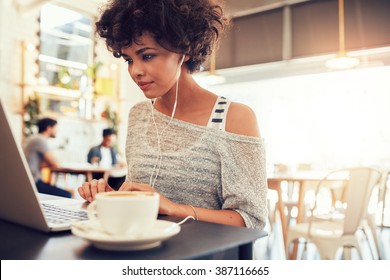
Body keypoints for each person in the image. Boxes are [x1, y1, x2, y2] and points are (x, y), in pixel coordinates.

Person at [78, 0, 268, 229]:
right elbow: (145, 199)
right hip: (142, 249)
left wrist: (174, 208)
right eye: (129, 59)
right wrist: (112, 197)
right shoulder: (139, 116)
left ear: (184, 49)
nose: (135, 71)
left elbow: (251, 219)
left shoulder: (234, 117)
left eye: (147, 56)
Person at [24, 117, 71, 198]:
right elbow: (55, 163)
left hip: (28, 180)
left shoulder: (33, 138)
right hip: (33, 182)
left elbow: (41, 164)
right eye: (55, 128)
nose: (57, 131)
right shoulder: (40, 140)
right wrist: (51, 163)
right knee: (67, 195)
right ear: (49, 128)